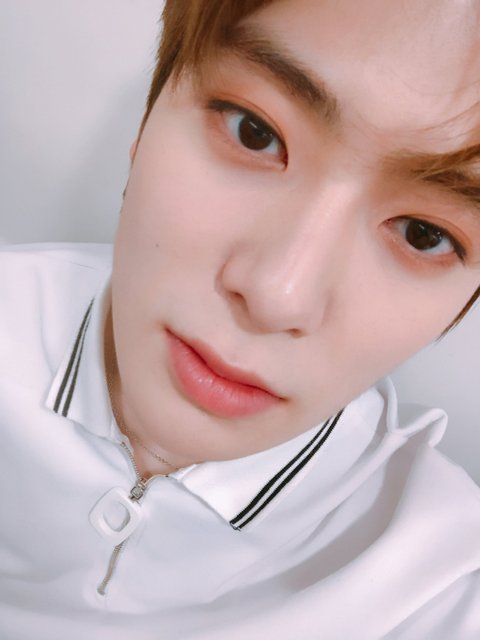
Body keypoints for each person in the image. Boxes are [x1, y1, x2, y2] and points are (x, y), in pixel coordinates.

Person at [1, 0, 479, 638]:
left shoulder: (438, 586)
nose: (279, 294)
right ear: (147, 117)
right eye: (255, 132)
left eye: (424, 234)